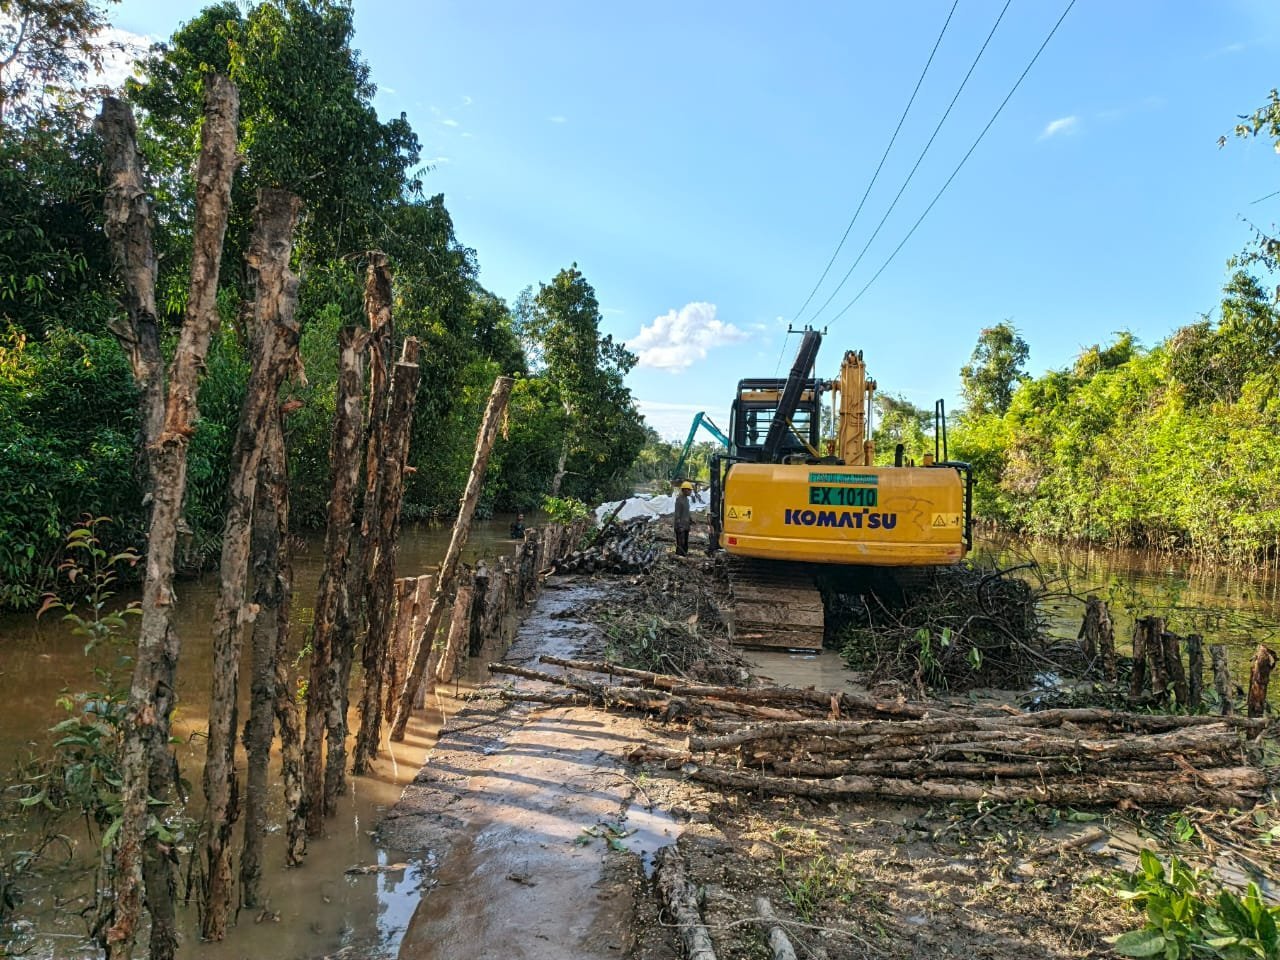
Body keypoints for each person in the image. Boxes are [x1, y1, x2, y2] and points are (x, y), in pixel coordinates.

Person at [673, 482, 693, 556]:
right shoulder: (679, 500)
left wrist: (690, 519)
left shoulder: (687, 500)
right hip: (680, 527)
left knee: (685, 544)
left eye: (690, 490)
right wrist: (679, 526)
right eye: (689, 490)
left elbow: (686, 511)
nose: (690, 491)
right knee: (680, 544)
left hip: (686, 526)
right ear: (684, 490)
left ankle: (684, 557)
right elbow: (677, 514)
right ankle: (678, 557)